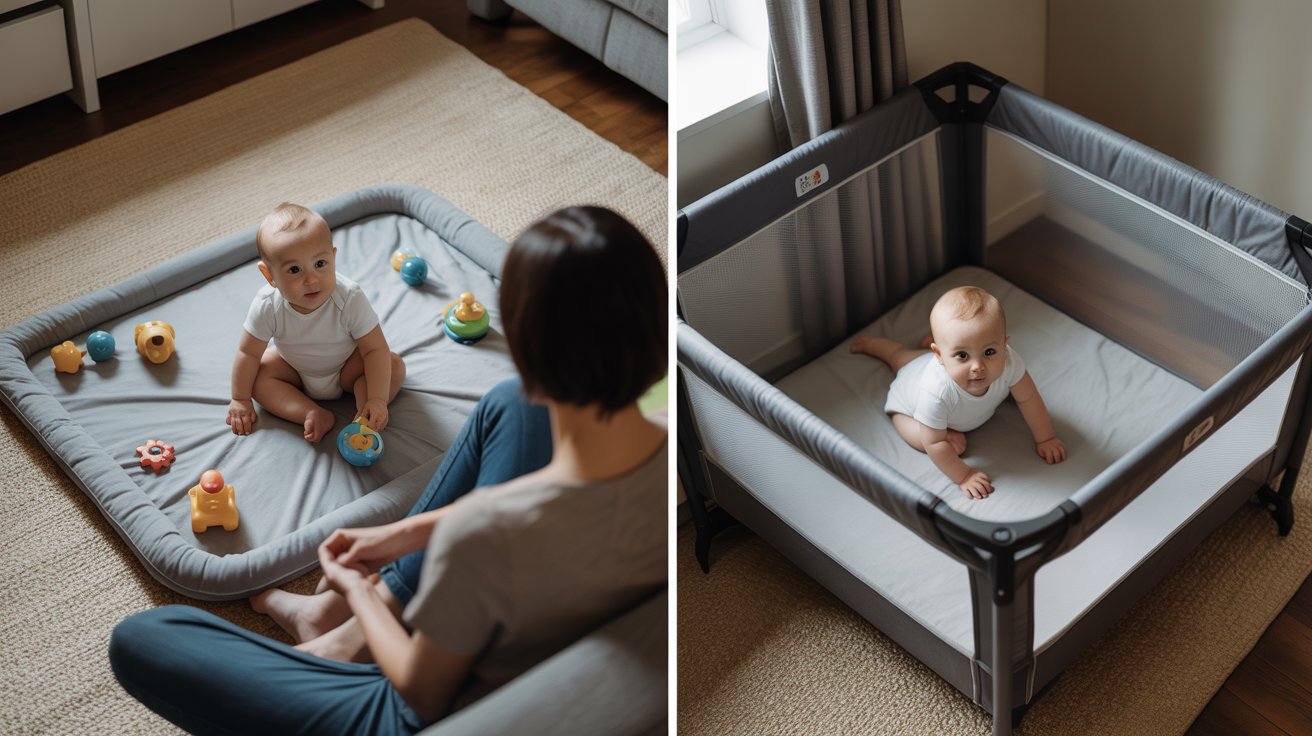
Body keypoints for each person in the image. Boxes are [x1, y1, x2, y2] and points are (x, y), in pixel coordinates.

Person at [108, 206, 668, 734]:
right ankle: (327, 616)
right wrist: (403, 532)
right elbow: (545, 507)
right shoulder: (670, 442)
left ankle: (343, 641)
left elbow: (423, 693)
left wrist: (362, 592)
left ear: (523, 345)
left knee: (143, 638)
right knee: (509, 405)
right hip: (535, 590)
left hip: (412, 709)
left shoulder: (483, 541)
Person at [851, 285, 1066, 500]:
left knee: (907, 358)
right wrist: (964, 476)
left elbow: (1028, 398)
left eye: (989, 351)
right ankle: (872, 345)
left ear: (1004, 345)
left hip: (927, 364)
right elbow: (934, 443)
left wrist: (1045, 438)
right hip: (910, 403)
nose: (978, 367)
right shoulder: (935, 392)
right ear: (939, 355)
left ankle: (945, 348)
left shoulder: (1009, 361)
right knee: (899, 359)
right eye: (962, 355)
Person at [226, 202, 406, 442]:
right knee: (258, 377)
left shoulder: (349, 297)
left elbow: (374, 349)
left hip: (346, 369)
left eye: (320, 264)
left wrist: (377, 399)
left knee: (392, 365)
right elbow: (247, 352)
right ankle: (310, 413)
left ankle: (365, 416)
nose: (311, 280)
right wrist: (240, 398)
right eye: (294, 270)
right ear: (270, 276)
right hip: (294, 371)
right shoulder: (268, 305)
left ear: (333, 257)